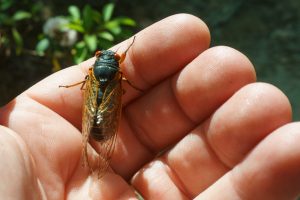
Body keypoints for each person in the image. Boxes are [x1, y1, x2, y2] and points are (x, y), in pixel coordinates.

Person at [0, 14, 298, 200]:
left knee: (99, 110)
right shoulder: (118, 74)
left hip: (97, 103)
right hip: (108, 103)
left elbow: (84, 87)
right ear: (114, 64)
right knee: (106, 114)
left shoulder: (91, 74)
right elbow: (121, 83)